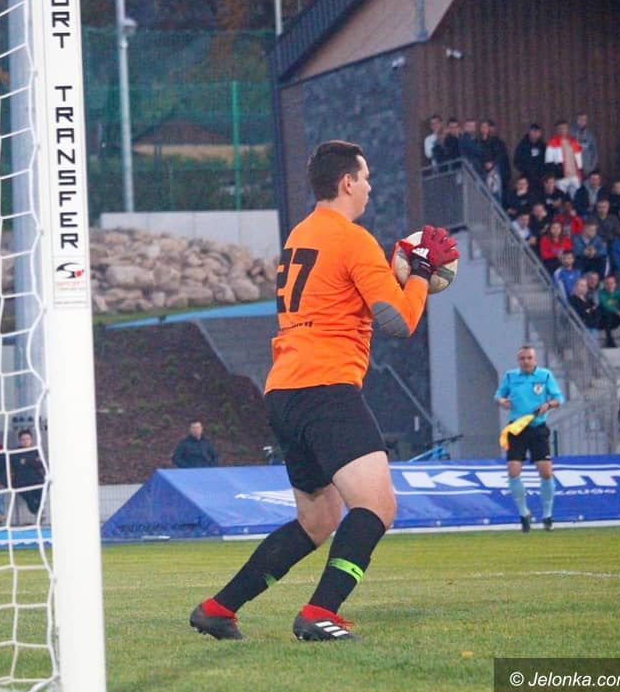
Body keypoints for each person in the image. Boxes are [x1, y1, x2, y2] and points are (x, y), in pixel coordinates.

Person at [189, 140, 458, 642]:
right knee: (377, 506)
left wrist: (398, 271)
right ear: (347, 182)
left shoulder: (302, 233)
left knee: (317, 521)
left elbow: (340, 295)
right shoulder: (353, 239)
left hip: (285, 390)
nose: (370, 186)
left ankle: (217, 608)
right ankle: (320, 612)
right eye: (366, 177)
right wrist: (420, 275)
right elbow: (399, 320)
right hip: (325, 387)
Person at [494, 345, 563, 532]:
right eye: (522, 358)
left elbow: (559, 398)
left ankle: (547, 514)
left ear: (535, 359)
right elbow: (499, 395)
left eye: (529, 358)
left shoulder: (545, 376)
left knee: (545, 472)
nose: (526, 361)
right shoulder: (511, 376)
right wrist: (502, 401)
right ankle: (523, 513)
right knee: (513, 470)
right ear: (518, 360)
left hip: (537, 427)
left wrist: (548, 404)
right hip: (517, 428)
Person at [10, 429, 46, 521]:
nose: (26, 441)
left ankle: (40, 512)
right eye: (23, 439)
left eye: (28, 439)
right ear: (20, 441)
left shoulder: (36, 450)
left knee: (41, 493)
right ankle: (37, 512)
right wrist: (32, 461)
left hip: (36, 480)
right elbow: (17, 465)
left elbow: (40, 464)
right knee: (30, 498)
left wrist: (26, 461)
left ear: (31, 440)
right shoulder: (15, 452)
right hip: (22, 482)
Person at [544, 119, 583, 195]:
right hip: (561, 178)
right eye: (560, 128)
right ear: (556, 130)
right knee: (561, 197)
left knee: (577, 197)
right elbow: (548, 162)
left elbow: (579, 160)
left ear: (567, 129)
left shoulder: (573, 142)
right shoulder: (552, 142)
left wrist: (580, 173)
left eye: (564, 128)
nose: (562, 130)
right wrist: (555, 175)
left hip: (574, 176)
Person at [597, 274, 620, 347]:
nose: (610, 285)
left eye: (612, 283)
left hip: (616, 319)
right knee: (606, 313)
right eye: (607, 283)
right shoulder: (601, 294)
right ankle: (609, 339)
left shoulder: (618, 293)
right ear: (604, 285)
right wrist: (619, 312)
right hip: (603, 322)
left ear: (615, 284)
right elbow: (605, 305)